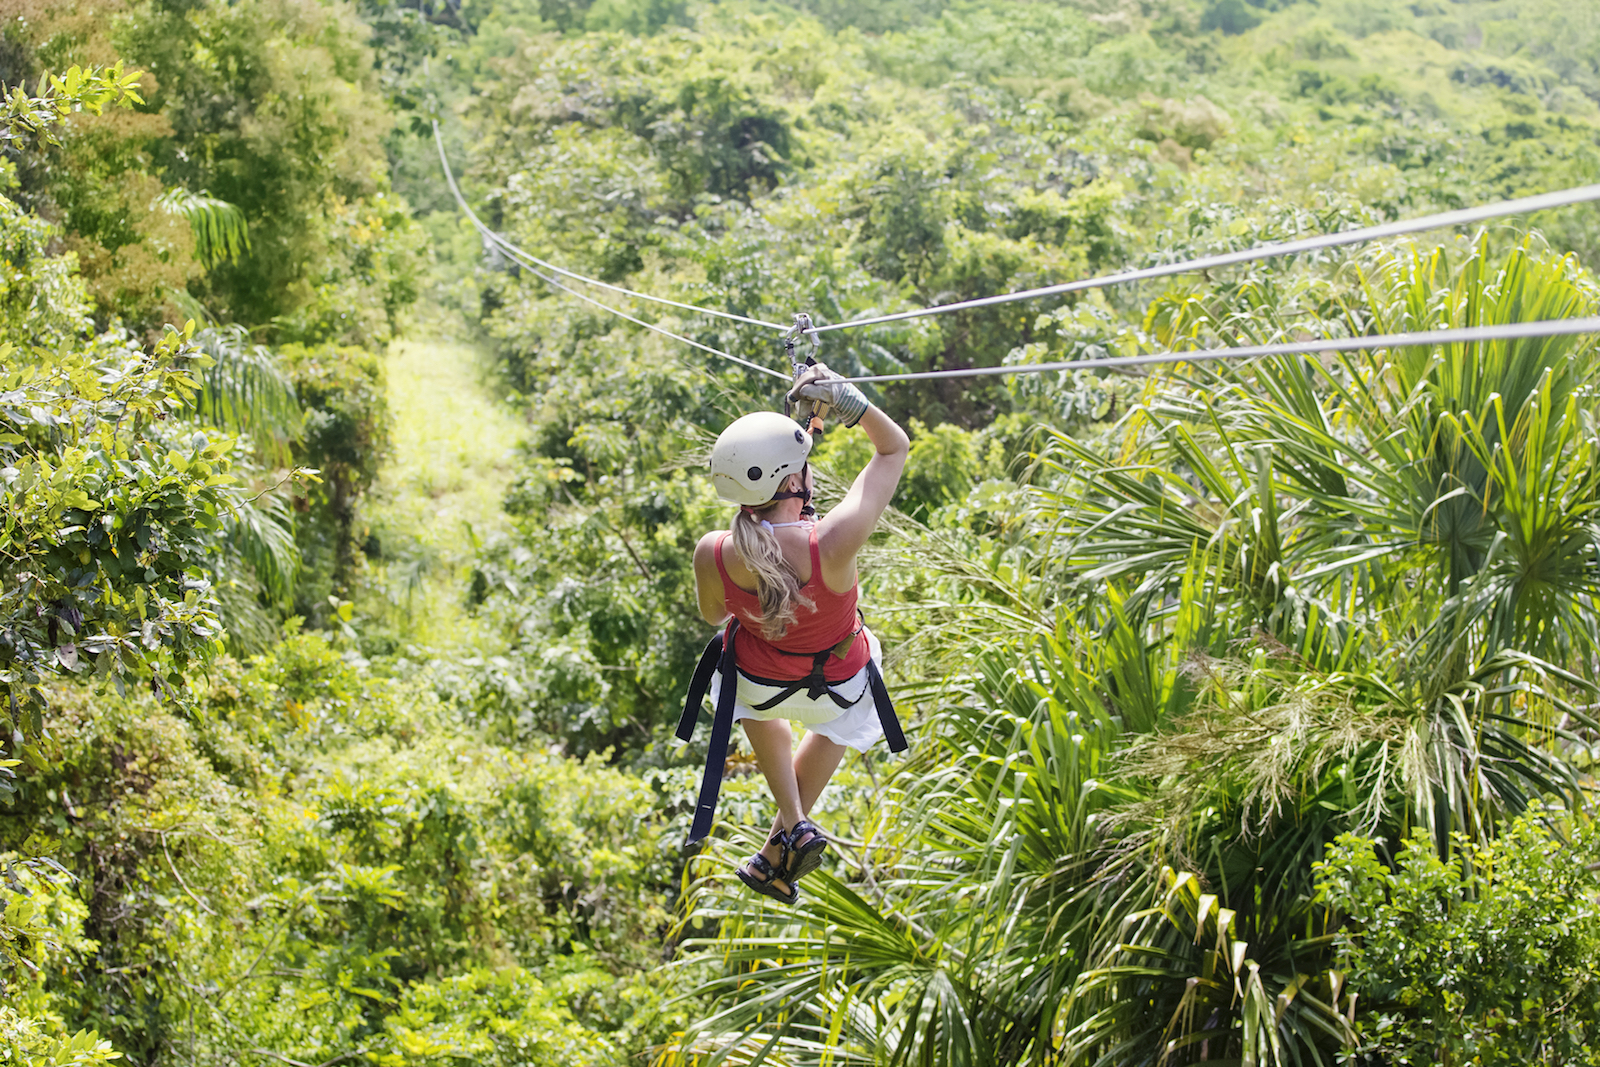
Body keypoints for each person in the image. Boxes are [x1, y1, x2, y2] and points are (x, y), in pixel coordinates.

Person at [690, 363, 909, 904]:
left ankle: (787, 830)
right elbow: (893, 449)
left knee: (733, 665)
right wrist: (848, 402)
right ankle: (783, 837)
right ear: (795, 482)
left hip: (762, 687)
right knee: (860, 666)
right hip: (839, 689)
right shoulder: (832, 540)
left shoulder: (714, 550)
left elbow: (714, 617)